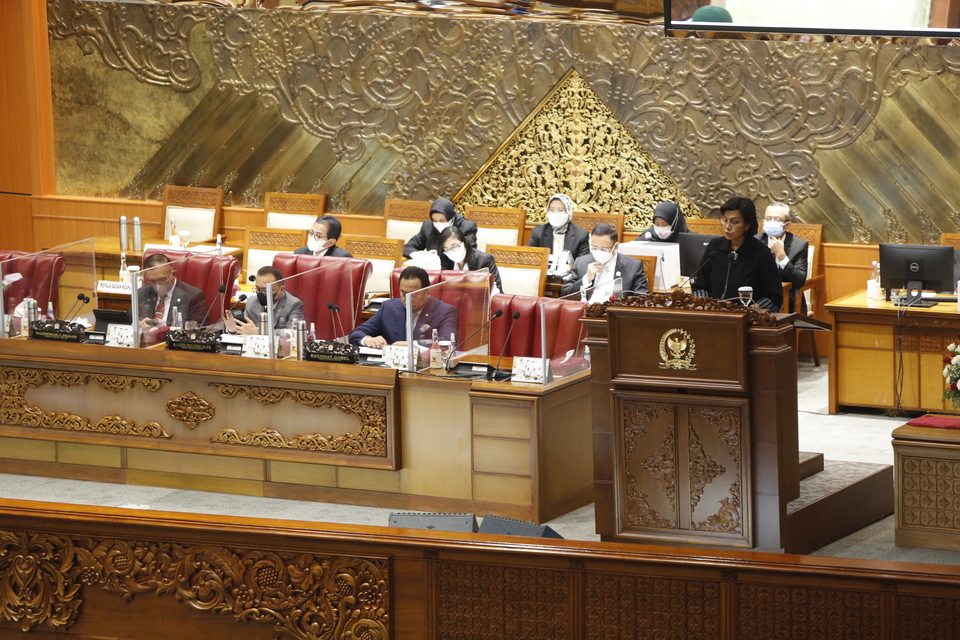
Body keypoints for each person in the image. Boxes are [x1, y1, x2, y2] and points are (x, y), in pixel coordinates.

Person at [691, 196, 783, 311]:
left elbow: (774, 296)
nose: (728, 226)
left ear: (747, 225)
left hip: (748, 319)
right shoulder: (715, 247)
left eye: (734, 222)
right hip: (713, 315)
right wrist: (704, 304)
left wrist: (751, 310)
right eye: (725, 220)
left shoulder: (761, 252)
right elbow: (700, 286)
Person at [349, 266, 457, 348]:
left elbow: (446, 342)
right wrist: (367, 340)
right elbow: (356, 334)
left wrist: (412, 345)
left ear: (427, 292)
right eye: (404, 293)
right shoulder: (388, 307)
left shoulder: (445, 311)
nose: (408, 299)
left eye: (413, 294)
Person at [560, 223, 648, 302]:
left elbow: (642, 298)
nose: (599, 252)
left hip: (614, 314)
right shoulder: (581, 262)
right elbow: (565, 294)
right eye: (594, 247)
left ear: (616, 246)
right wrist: (586, 279)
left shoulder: (633, 266)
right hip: (585, 311)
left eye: (604, 249)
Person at [756, 202, 808, 313]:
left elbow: (799, 281)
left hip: (785, 295)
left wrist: (782, 256)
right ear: (763, 222)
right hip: (757, 293)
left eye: (777, 219)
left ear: (788, 225)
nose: (772, 222)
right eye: (768, 219)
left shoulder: (798, 245)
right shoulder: (755, 241)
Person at [225, 266, 304, 335]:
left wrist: (260, 332)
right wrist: (233, 330)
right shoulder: (251, 302)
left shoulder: (293, 304)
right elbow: (246, 329)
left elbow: (294, 333)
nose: (260, 293)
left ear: (281, 289)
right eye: (258, 289)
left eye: (266, 290)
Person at [137, 253, 206, 328]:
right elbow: (130, 322)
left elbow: (198, 329)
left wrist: (165, 329)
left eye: (162, 279)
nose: (157, 285)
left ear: (174, 274)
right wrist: (140, 324)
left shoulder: (192, 296)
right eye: (152, 281)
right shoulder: (141, 293)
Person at [526, 193, 590, 265]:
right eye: (552, 210)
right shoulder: (538, 232)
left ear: (569, 212)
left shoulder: (581, 235)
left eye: (561, 210)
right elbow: (529, 257)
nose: (556, 213)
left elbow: (582, 264)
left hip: (570, 275)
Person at [403, 198, 477, 257]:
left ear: (451, 217)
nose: (438, 223)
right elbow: (408, 247)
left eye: (442, 220)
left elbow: (470, 252)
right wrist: (421, 255)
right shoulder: (428, 226)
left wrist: (438, 255)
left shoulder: (466, 226)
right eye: (435, 220)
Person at [438, 226, 503, 293]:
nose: (451, 251)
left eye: (455, 246)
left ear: (465, 241)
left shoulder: (484, 260)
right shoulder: (446, 262)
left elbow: (497, 291)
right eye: (446, 249)